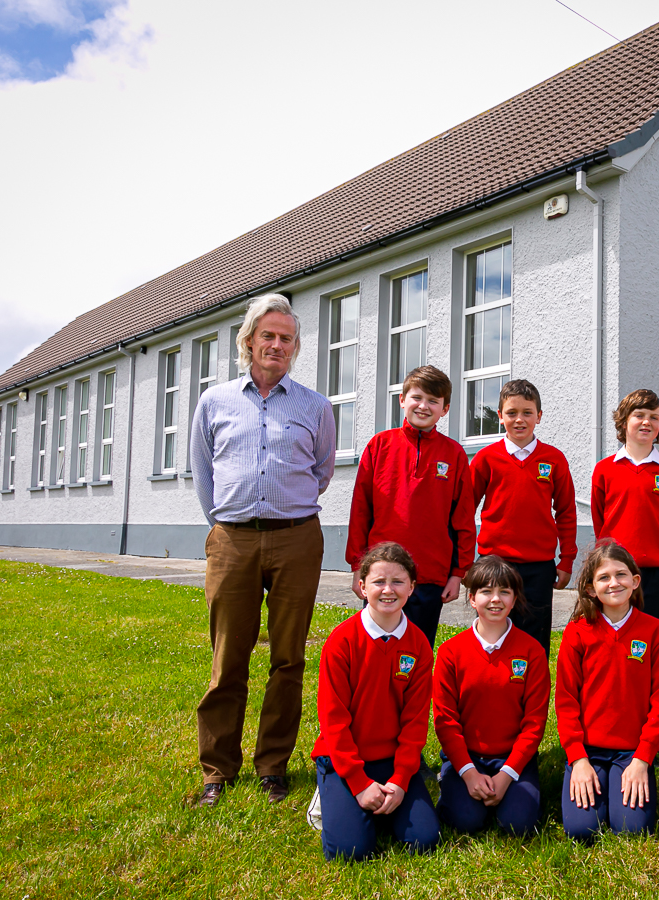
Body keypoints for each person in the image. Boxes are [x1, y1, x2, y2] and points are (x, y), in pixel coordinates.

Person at [191, 293, 336, 807]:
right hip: (232, 538)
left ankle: (272, 765)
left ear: (296, 347)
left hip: (297, 537)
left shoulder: (315, 406)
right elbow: (203, 472)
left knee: (288, 658)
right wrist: (227, 522)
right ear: (248, 340)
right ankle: (217, 770)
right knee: (228, 657)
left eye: (286, 338)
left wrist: (284, 508)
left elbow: (320, 471)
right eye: (267, 336)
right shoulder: (215, 401)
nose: (276, 345)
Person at [310, 542, 440, 860]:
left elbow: (415, 720)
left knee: (424, 840)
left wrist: (398, 781)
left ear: (411, 587)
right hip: (344, 760)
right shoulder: (342, 642)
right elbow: (333, 719)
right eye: (379, 581)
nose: (388, 590)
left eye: (397, 581)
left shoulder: (418, 644)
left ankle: (380, 802)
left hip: (393, 760)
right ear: (362, 585)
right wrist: (357, 782)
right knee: (350, 852)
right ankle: (331, 796)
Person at [346, 365, 475, 650]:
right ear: (402, 399)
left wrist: (458, 573)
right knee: (376, 650)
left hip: (430, 574)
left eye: (433, 401)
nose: (423, 406)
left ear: (445, 408)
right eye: (417, 397)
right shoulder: (379, 446)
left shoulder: (453, 454)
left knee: (417, 652)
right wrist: (358, 567)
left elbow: (463, 518)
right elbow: (360, 511)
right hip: (383, 575)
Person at [556, 540, 659, 843]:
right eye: (604, 577)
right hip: (588, 751)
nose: (614, 583)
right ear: (592, 589)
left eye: (621, 575)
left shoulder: (654, 631)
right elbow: (566, 700)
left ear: (635, 581)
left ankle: (625, 783)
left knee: (633, 829)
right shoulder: (577, 631)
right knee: (582, 830)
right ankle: (589, 778)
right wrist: (578, 760)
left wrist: (642, 759)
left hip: (632, 753)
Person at [432, 556, 550, 836]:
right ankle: (452, 782)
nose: (495, 599)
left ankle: (515, 789)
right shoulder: (451, 652)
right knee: (465, 822)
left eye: (504, 592)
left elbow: (535, 722)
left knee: (519, 824)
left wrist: (507, 774)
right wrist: (469, 773)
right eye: (486, 591)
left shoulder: (532, 651)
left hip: (513, 758)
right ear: (472, 598)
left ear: (514, 599)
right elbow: (445, 721)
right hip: (466, 757)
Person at [470, 379, 576, 657]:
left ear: (539, 416)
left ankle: (532, 694)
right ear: (500, 416)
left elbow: (566, 512)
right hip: (494, 562)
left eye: (527, 412)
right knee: (492, 633)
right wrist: (461, 562)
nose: (519, 419)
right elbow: (463, 510)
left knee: (535, 639)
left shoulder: (554, 459)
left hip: (538, 567)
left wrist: (566, 560)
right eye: (512, 412)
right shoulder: (485, 458)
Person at [590, 389, 659, 623]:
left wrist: (656, 549)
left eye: (654, 417)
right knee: (613, 629)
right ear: (623, 422)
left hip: (654, 572)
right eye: (639, 415)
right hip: (614, 569)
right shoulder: (605, 469)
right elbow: (598, 517)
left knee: (651, 633)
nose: (647, 422)